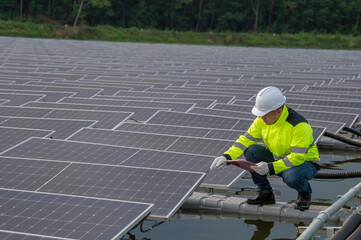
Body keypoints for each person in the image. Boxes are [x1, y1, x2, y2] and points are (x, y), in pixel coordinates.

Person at [210, 86, 320, 211]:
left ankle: (304, 194)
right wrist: (227, 156)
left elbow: (297, 157)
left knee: (291, 176)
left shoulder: (299, 126)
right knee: (251, 151)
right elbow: (245, 140)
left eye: (265, 115)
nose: (262, 118)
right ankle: (266, 193)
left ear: (278, 111)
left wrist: (270, 167)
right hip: (278, 158)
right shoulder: (262, 120)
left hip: (305, 163)